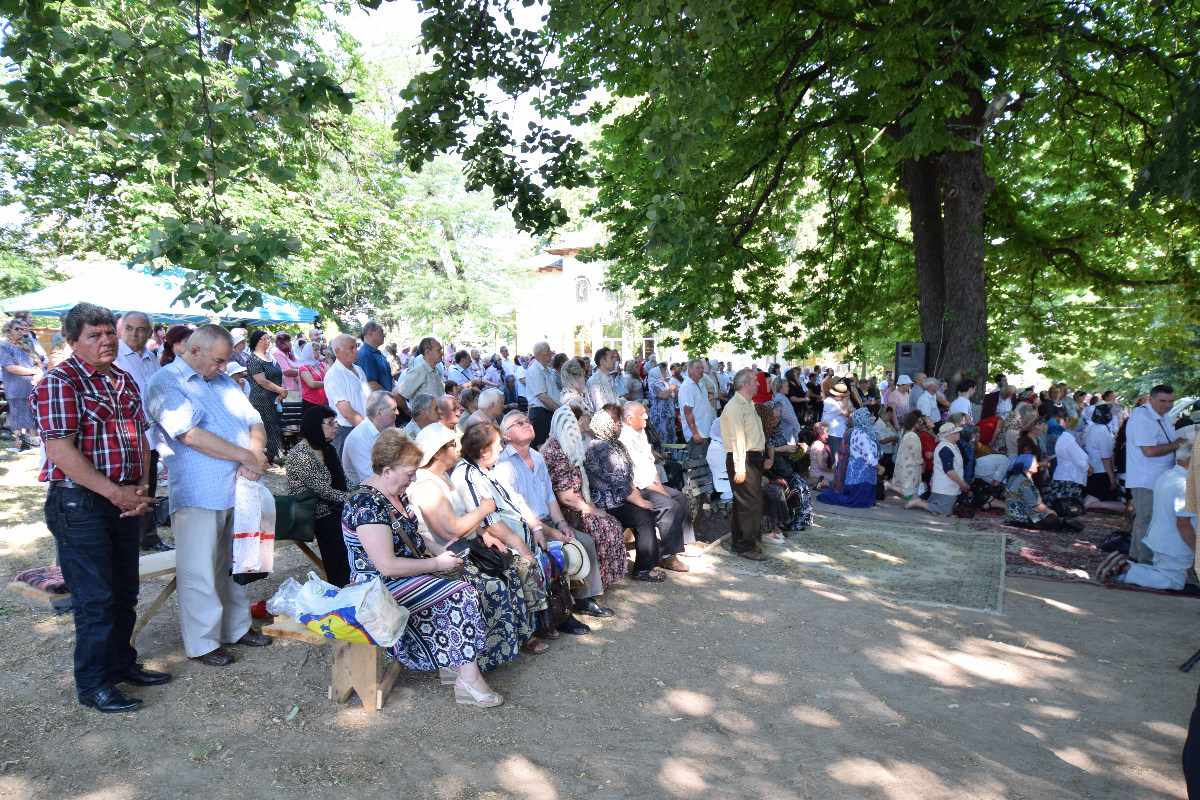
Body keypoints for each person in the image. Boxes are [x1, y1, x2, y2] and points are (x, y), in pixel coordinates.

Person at [32, 302, 167, 713]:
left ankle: (121, 664)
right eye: (94, 335)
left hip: (123, 497)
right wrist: (115, 492)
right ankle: (93, 685)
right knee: (96, 599)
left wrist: (141, 486)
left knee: (125, 592)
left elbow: (140, 436)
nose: (106, 340)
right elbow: (60, 451)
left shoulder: (122, 378)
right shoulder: (60, 382)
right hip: (80, 503)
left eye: (109, 332)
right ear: (72, 341)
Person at [342, 430, 503, 707]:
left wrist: (438, 549)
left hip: (402, 576)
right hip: (376, 588)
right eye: (409, 473)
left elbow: (409, 534)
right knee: (461, 593)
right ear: (387, 471)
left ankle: (455, 662)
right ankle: (469, 679)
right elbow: (387, 566)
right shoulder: (366, 505)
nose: (414, 479)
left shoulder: (393, 491)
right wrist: (436, 563)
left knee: (466, 583)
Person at [145, 324, 273, 667]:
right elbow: (189, 435)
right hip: (199, 491)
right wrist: (246, 457)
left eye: (226, 361)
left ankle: (236, 627)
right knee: (199, 570)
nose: (223, 367)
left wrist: (254, 455)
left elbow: (254, 420)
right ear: (194, 351)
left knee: (236, 562)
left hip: (241, 487)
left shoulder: (224, 381)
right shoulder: (165, 382)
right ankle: (203, 642)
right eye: (218, 360)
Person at [405, 423, 535, 665]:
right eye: (451, 445)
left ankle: (517, 641)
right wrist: (484, 509)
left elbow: (461, 518)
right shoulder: (427, 485)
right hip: (444, 558)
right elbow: (449, 530)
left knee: (510, 570)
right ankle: (482, 658)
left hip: (463, 548)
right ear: (437, 453)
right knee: (493, 586)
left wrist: (482, 532)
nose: (458, 448)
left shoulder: (442, 476)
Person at [494, 411, 611, 624]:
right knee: (559, 553)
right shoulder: (504, 464)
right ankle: (563, 613)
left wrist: (561, 523)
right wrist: (550, 531)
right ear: (506, 435)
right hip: (527, 527)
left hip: (548, 521)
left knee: (585, 541)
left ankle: (584, 599)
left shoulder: (537, 457)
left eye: (527, 421)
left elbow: (549, 496)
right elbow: (518, 510)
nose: (526, 424)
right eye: (519, 423)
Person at [450, 422, 558, 647]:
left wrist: (536, 528)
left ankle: (549, 619)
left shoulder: (489, 468)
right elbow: (491, 524)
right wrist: (522, 547)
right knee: (525, 566)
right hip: (496, 546)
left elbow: (518, 500)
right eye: (498, 444)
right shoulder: (467, 475)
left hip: (520, 537)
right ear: (483, 450)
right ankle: (527, 633)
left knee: (551, 555)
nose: (502, 448)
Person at [541, 405, 628, 600]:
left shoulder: (564, 446)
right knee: (605, 528)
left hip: (577, 503)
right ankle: (594, 584)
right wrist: (592, 510)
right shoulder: (556, 451)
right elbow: (565, 497)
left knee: (611, 523)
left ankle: (601, 581)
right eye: (577, 425)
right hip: (566, 509)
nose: (580, 429)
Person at [1097, 438, 1195, 588]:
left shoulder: (1168, 475)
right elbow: (1183, 523)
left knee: (1164, 571)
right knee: (1174, 582)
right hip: (1173, 543)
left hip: (1159, 538)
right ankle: (1126, 568)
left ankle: (1125, 564)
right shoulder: (1185, 484)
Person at [585, 405, 666, 581]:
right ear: (608, 425)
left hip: (615, 497)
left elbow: (625, 480)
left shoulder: (608, 444)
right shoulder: (602, 449)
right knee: (643, 515)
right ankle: (644, 569)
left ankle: (650, 562)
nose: (620, 426)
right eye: (617, 424)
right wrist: (642, 502)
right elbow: (621, 484)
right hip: (606, 502)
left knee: (646, 510)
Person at [113, 311, 172, 551]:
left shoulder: (150, 357)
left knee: (148, 485)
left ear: (149, 333)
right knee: (126, 485)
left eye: (140, 330)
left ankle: (148, 536)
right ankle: (127, 538)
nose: (134, 334)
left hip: (150, 433)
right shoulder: (113, 355)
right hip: (124, 434)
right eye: (129, 328)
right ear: (121, 329)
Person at [619, 402, 692, 572]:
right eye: (642, 414)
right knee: (669, 505)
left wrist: (661, 487)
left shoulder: (640, 433)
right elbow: (638, 478)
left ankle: (680, 546)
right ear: (630, 419)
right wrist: (661, 492)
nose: (646, 416)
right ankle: (667, 556)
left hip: (649, 484)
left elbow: (650, 465)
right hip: (635, 489)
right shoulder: (625, 439)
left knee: (681, 498)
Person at [285, 406, 352, 587]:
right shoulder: (301, 454)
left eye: (335, 421)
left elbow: (343, 479)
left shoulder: (327, 447)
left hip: (333, 507)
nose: (336, 426)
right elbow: (323, 490)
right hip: (312, 512)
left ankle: (356, 577)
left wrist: (360, 492)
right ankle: (340, 583)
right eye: (330, 422)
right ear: (315, 426)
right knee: (336, 530)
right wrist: (352, 497)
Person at [1125, 385, 1183, 563]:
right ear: (1151, 399)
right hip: (1146, 478)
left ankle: (1135, 557)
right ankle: (1145, 562)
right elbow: (1149, 451)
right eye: (1163, 401)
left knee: (1148, 518)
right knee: (1147, 518)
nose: (1167, 405)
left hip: (1159, 476)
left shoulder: (1162, 416)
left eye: (1171, 401)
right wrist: (1177, 444)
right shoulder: (1142, 417)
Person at [721, 368, 767, 561]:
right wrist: (740, 468)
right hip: (742, 459)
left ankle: (740, 542)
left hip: (752, 457)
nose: (758, 384)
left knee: (745, 503)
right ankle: (745, 545)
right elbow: (737, 439)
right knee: (751, 504)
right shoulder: (734, 406)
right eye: (755, 381)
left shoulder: (749, 404)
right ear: (745, 384)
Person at [817, 407, 883, 508]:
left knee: (863, 501)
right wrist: (879, 466)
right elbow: (868, 455)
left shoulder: (859, 432)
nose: (873, 418)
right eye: (870, 416)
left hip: (861, 472)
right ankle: (827, 492)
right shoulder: (861, 434)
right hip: (861, 474)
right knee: (858, 501)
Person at [242, 330, 287, 463]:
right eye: (264, 339)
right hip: (261, 401)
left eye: (268, 338)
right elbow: (261, 380)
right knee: (264, 430)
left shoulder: (271, 357)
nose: (268, 341)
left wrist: (282, 389)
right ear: (256, 342)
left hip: (275, 400)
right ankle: (263, 460)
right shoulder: (254, 359)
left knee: (274, 430)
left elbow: (280, 374)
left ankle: (271, 459)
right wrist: (280, 390)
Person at [906, 422, 969, 516]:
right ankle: (919, 503)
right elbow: (949, 471)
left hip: (949, 485)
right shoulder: (945, 449)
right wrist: (961, 483)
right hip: (945, 486)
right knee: (946, 511)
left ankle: (922, 501)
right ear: (948, 436)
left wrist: (961, 482)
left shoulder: (952, 446)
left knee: (951, 508)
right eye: (955, 433)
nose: (958, 434)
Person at [323, 334, 371, 457]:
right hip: (347, 430)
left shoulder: (358, 370)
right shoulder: (334, 375)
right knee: (346, 467)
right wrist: (369, 430)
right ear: (338, 352)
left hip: (364, 426)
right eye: (351, 348)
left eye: (356, 346)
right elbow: (347, 412)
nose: (356, 351)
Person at [1, 318, 44, 452]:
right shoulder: (4, 346)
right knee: (18, 415)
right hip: (15, 386)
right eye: (17, 329)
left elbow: (38, 361)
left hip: (31, 385)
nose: (21, 331)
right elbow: (10, 367)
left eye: (21, 328)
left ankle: (34, 443)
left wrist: (38, 371)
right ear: (8, 331)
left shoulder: (24, 346)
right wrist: (33, 371)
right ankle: (21, 442)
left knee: (31, 414)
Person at [342, 391, 400, 487]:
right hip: (365, 490)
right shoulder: (358, 438)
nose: (397, 412)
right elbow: (369, 477)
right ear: (379, 414)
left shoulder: (388, 429)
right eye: (393, 409)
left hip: (387, 483)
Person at [1001, 454, 1062, 529]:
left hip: (1013, 515)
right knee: (1053, 520)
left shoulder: (1016, 476)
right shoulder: (1024, 482)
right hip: (1021, 517)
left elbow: (1036, 501)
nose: (1037, 465)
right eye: (1035, 463)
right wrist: (1049, 511)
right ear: (1028, 465)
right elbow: (1035, 506)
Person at [396, 337, 446, 420]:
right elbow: (397, 394)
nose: (442, 353)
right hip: (424, 423)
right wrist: (410, 413)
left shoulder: (436, 371)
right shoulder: (419, 371)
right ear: (427, 352)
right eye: (438, 350)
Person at [1084, 404, 1124, 506]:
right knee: (1102, 504)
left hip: (1093, 471)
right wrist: (1112, 479)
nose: (1112, 415)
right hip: (1102, 473)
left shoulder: (1091, 427)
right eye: (1111, 413)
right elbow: (1106, 458)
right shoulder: (1102, 430)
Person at [524, 341, 561, 449]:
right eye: (548, 350)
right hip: (541, 415)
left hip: (549, 413)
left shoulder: (548, 370)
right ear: (539, 353)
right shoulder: (535, 371)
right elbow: (543, 397)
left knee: (550, 448)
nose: (551, 353)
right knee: (541, 448)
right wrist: (560, 411)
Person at [886, 410, 926, 500]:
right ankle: (888, 484)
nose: (921, 423)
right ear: (914, 424)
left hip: (907, 465)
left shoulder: (908, 434)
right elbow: (915, 453)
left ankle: (890, 485)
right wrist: (921, 462)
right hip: (910, 466)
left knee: (910, 490)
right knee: (909, 491)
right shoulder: (912, 436)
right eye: (919, 422)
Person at [679, 358, 715, 460]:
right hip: (697, 434)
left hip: (705, 432)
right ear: (689, 370)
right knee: (697, 464)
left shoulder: (700, 384)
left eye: (702, 367)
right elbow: (687, 412)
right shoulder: (687, 386)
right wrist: (695, 433)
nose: (701, 370)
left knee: (704, 462)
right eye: (697, 368)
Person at [645, 363, 677, 445]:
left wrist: (676, 392)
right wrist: (671, 389)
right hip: (660, 416)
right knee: (663, 437)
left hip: (669, 415)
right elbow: (664, 395)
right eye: (662, 372)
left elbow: (672, 398)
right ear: (657, 373)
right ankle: (664, 452)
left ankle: (671, 452)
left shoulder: (665, 384)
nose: (665, 373)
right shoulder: (654, 385)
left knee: (671, 437)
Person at [356, 321, 393, 393]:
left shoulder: (377, 353)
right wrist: (390, 398)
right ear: (370, 333)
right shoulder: (365, 355)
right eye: (381, 332)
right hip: (380, 399)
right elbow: (371, 385)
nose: (384, 335)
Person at [586, 347, 622, 411]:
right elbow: (601, 410)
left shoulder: (609, 379)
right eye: (611, 358)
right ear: (602, 361)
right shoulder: (595, 382)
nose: (615, 360)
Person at [299, 346, 332, 413]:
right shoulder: (304, 367)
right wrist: (328, 382)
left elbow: (333, 373)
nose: (318, 352)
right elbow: (312, 384)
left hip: (325, 402)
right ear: (308, 352)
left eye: (319, 350)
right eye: (315, 350)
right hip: (311, 403)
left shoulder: (321, 365)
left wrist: (328, 357)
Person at [822, 382, 850, 459]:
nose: (843, 398)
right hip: (834, 433)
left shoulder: (833, 401)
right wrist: (846, 402)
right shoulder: (831, 402)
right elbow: (845, 412)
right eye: (843, 396)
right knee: (836, 456)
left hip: (837, 432)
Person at [807, 421, 835, 489]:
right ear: (820, 432)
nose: (828, 433)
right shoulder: (819, 445)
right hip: (818, 473)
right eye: (827, 431)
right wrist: (831, 471)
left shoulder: (819, 443)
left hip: (817, 472)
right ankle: (821, 483)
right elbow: (821, 465)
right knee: (839, 479)